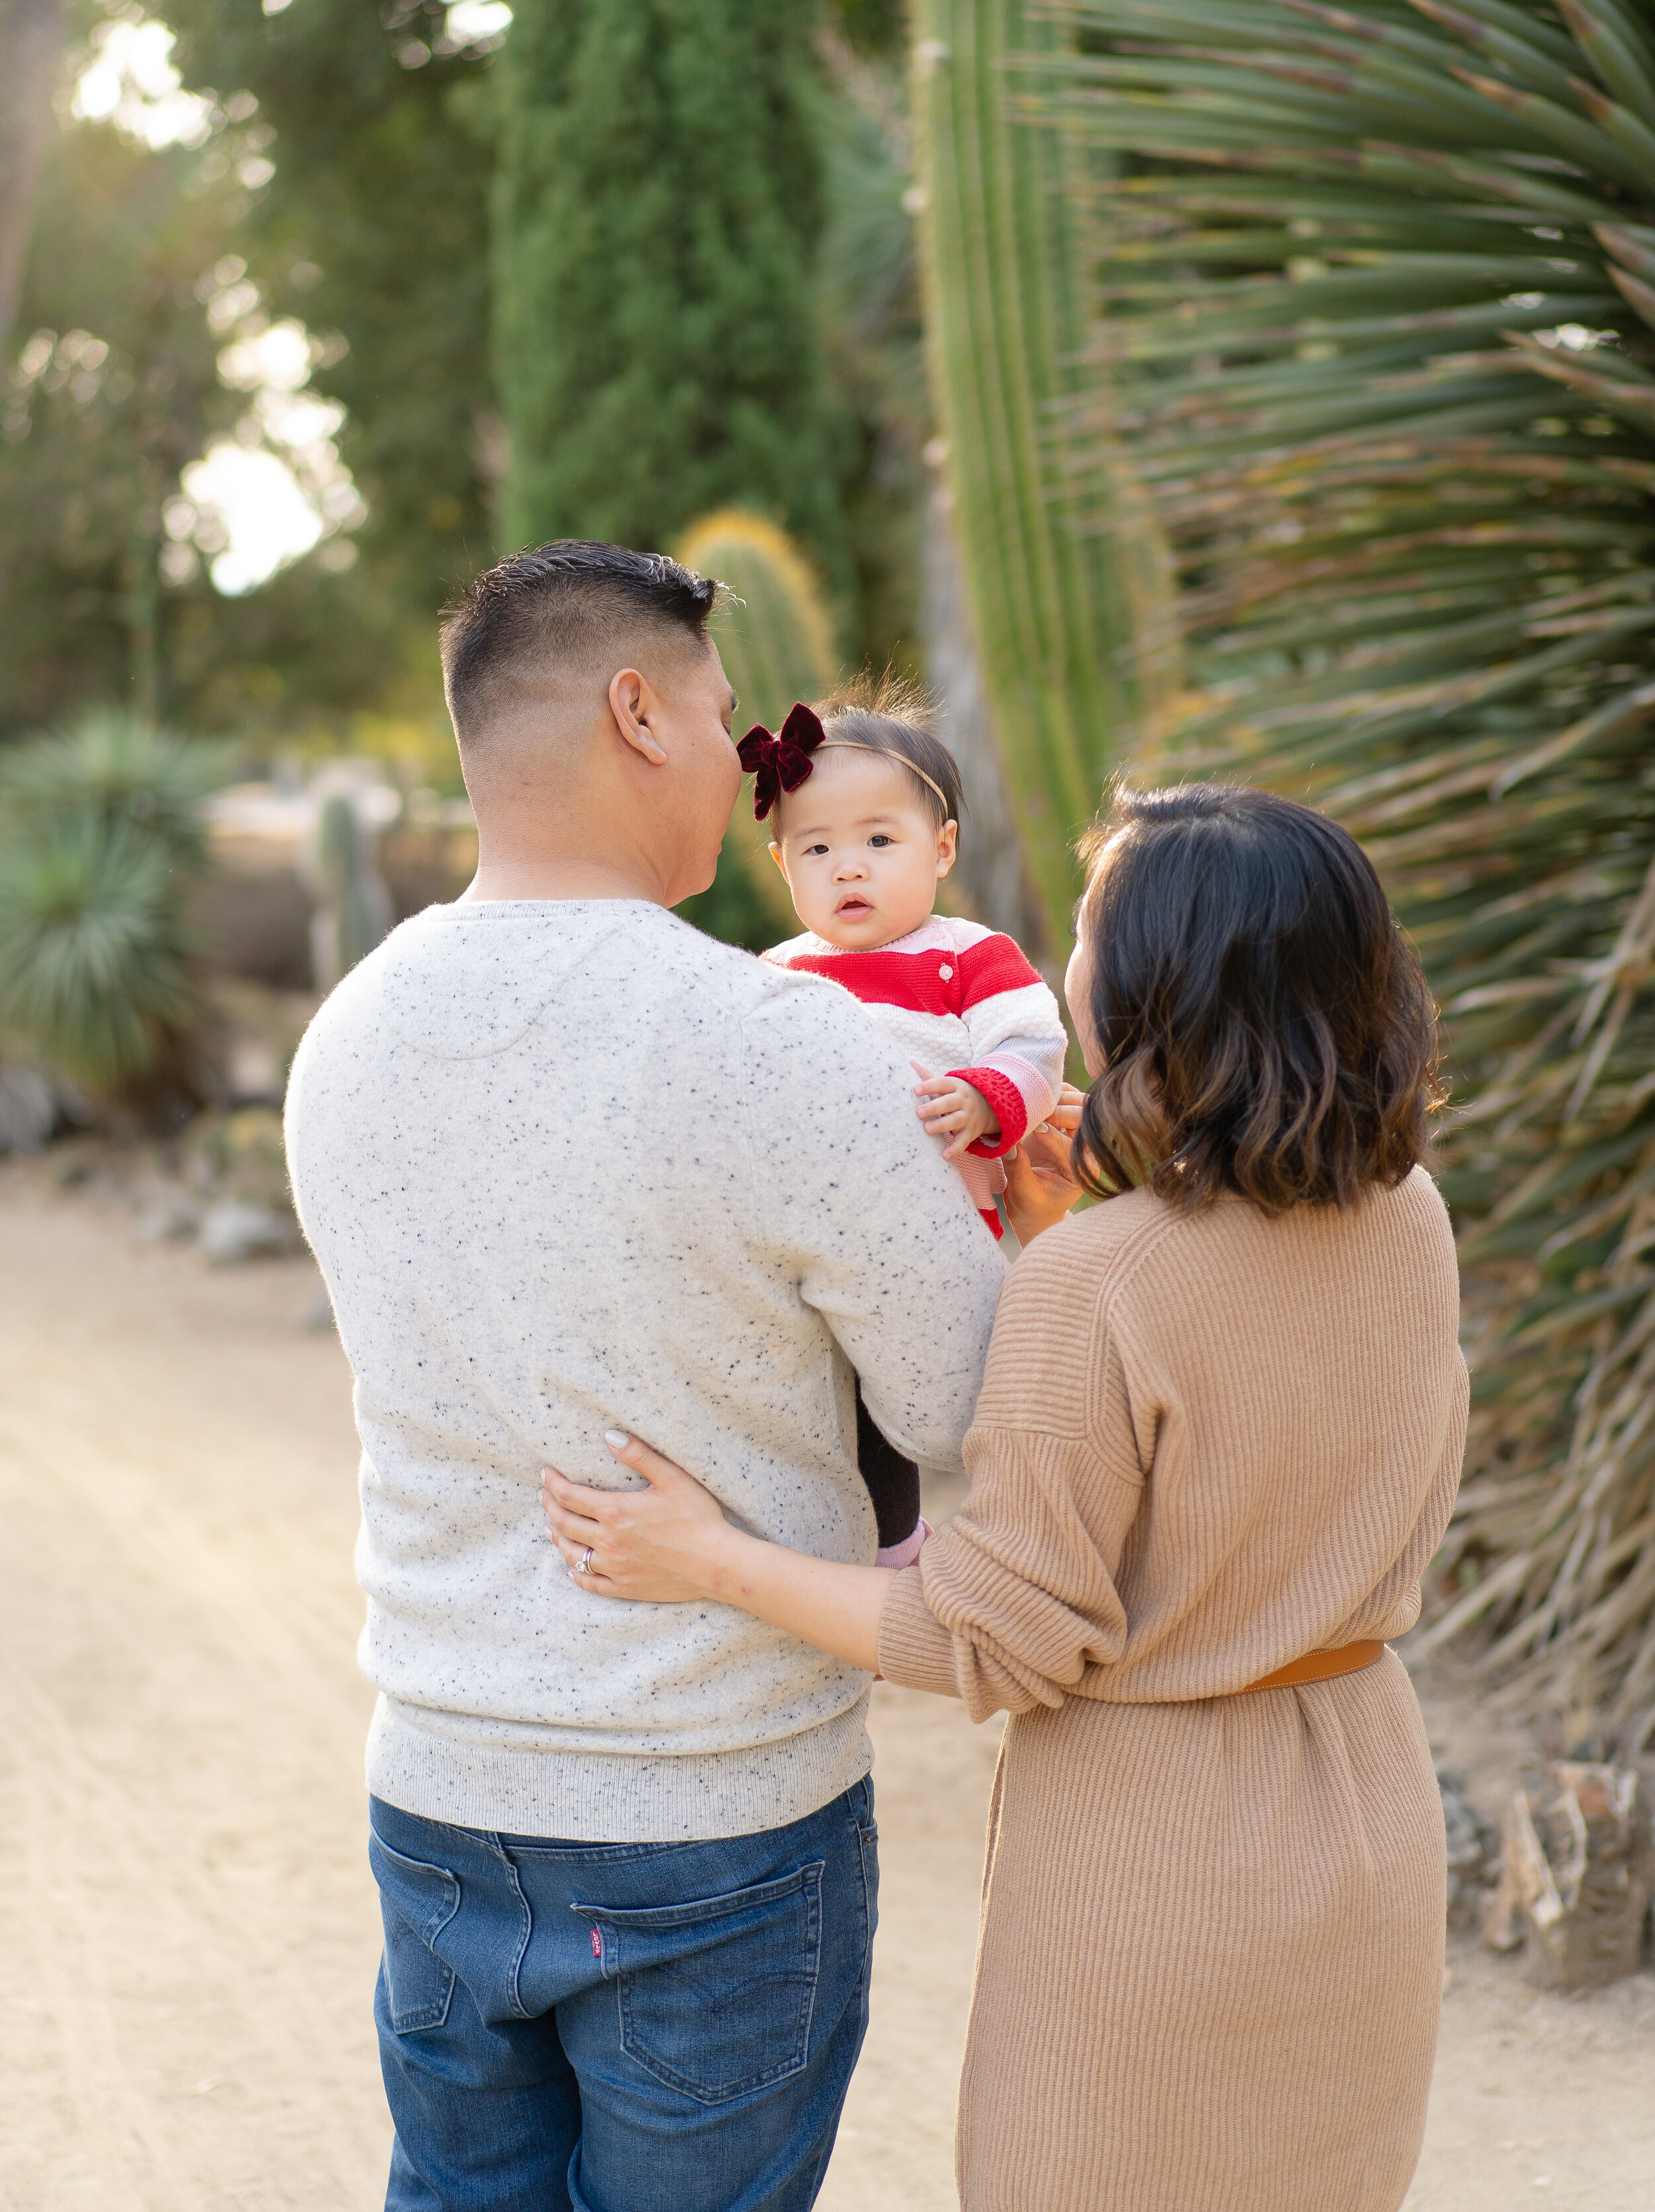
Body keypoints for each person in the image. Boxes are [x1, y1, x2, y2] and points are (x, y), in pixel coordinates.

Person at [542, 781, 1471, 2212]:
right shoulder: (1409, 1216)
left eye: (1088, 929)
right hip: (1362, 1815)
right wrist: (1067, 1233)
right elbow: (1255, 1411)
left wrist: (709, 1558)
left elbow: (992, 1635)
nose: (1065, 963)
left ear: (1154, 983)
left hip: (1154, 1863)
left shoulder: (1093, 1290)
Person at [283, 540, 1010, 2212]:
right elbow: (956, 1401)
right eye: (728, 721)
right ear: (636, 712)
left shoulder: (347, 1033)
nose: (758, 773)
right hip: (716, 1812)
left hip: (440, 1794)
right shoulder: (777, 1041)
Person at [739, 683, 1066, 1563]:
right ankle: (839, 1551)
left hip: (935, 1231)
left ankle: (914, 1549)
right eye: (817, 847)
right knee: (818, 1397)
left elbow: (1035, 1045)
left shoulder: (967, 956)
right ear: (783, 865)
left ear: (942, 847)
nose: (849, 867)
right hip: (806, 1235)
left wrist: (986, 1095)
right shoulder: (775, 975)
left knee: (922, 1403)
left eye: (880, 841)